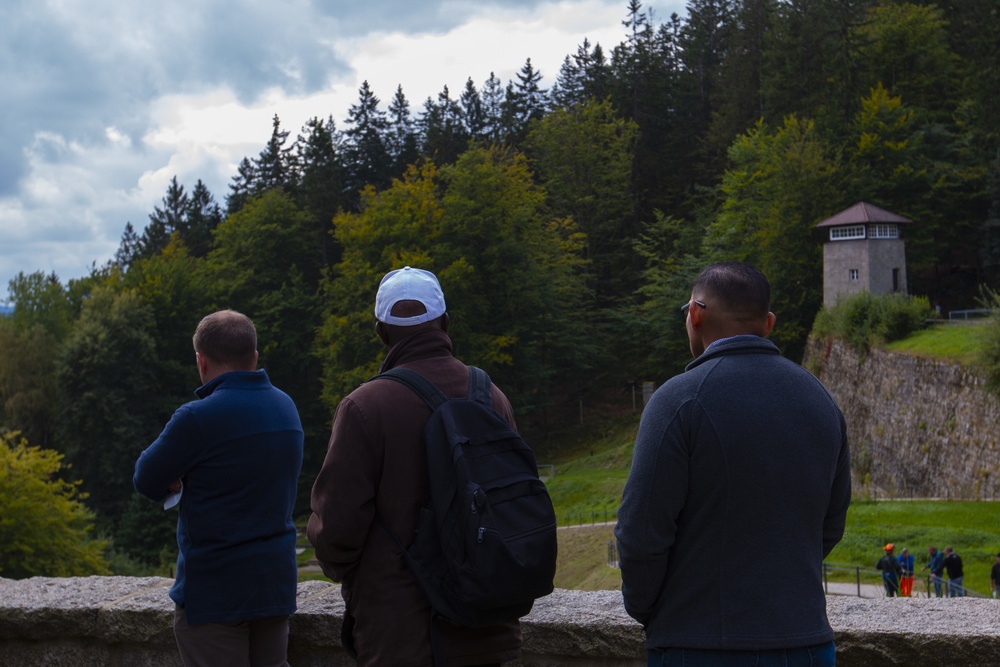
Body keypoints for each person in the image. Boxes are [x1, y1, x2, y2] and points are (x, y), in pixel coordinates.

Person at [615, 261, 852, 667]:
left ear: (694, 314)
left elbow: (640, 533)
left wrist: (652, 612)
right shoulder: (820, 400)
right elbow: (830, 524)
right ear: (768, 323)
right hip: (807, 644)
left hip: (697, 644)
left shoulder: (678, 401)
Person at [307, 266, 522, 666]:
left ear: (381, 332)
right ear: (445, 323)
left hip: (402, 638)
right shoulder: (491, 397)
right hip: (491, 629)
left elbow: (337, 530)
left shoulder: (364, 407)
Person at [134, 310, 304, 667]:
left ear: (201, 361)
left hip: (215, 593)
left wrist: (178, 474)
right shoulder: (286, 407)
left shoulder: (197, 418)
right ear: (254, 355)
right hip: (274, 585)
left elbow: (146, 477)